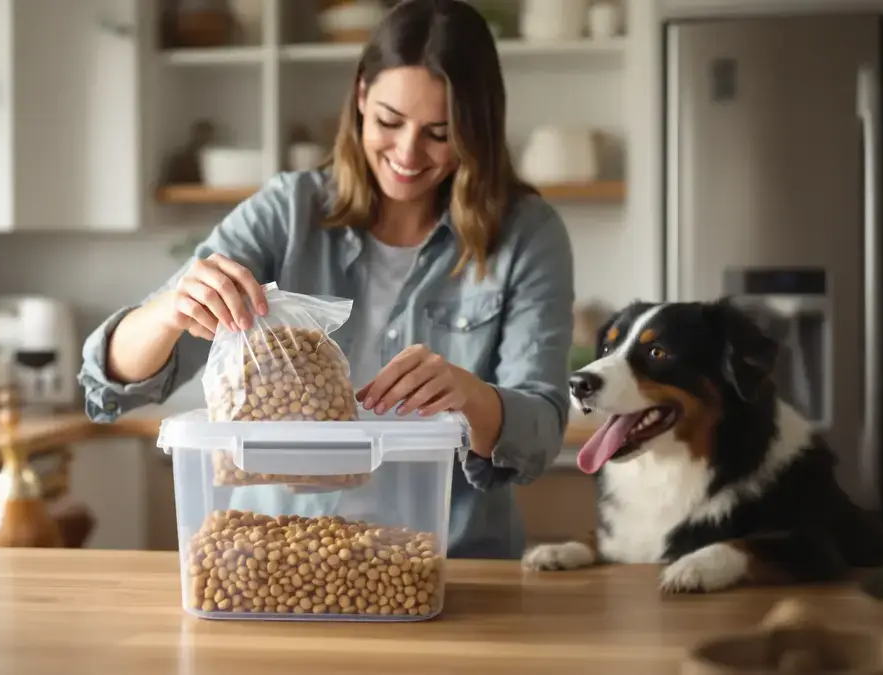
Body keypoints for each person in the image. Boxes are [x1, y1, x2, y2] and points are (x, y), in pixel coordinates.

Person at [78, 0, 574, 559]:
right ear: (361, 96)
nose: (408, 153)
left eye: (440, 132)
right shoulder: (288, 213)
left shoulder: (527, 235)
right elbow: (110, 383)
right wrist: (172, 309)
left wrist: (475, 398)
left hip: (451, 564)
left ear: (478, 127)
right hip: (282, 560)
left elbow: (542, 428)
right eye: (389, 121)